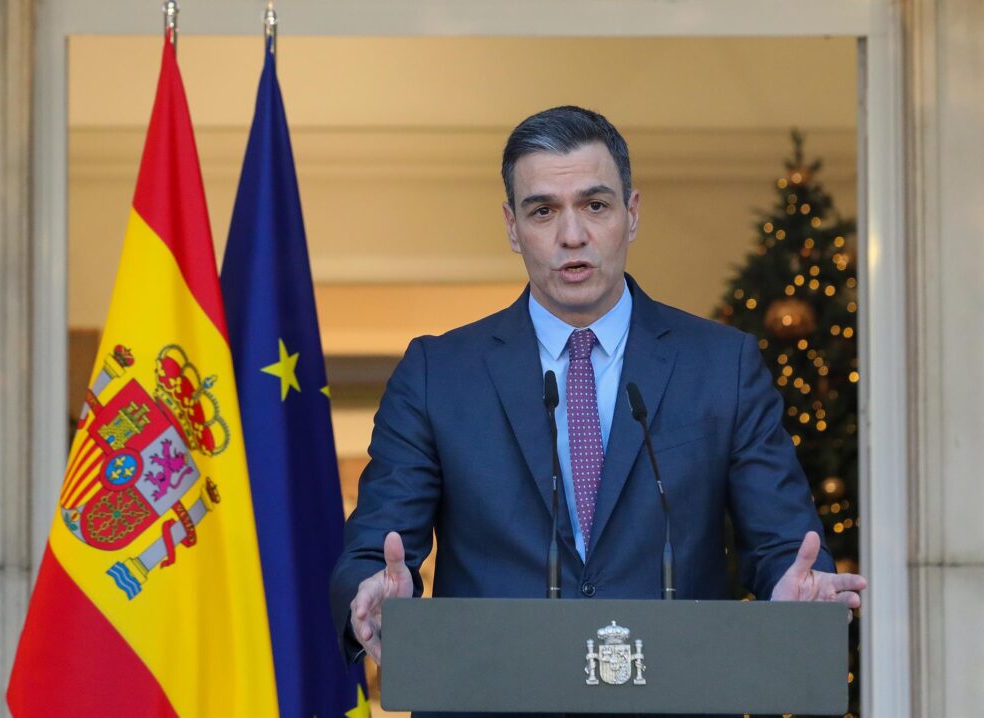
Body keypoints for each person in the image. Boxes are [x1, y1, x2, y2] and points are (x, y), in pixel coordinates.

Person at [329, 106, 867, 672]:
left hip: (673, 697)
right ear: (513, 226)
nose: (572, 235)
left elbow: (783, 542)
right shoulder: (437, 373)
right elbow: (376, 546)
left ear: (631, 214)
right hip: (494, 696)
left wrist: (792, 590)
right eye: (543, 211)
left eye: (595, 205)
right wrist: (371, 591)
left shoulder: (721, 365)